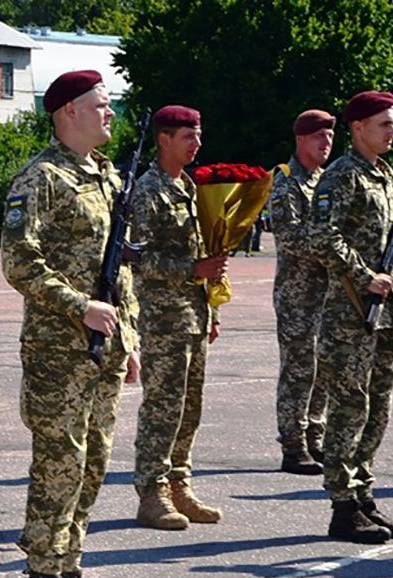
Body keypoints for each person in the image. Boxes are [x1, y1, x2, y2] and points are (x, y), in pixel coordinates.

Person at [2, 70, 140, 578]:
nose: (109, 114)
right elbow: (19, 260)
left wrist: (127, 337)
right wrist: (77, 305)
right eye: (100, 105)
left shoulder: (103, 177)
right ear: (68, 113)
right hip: (59, 349)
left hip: (102, 347)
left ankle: (69, 569)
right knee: (59, 464)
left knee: (92, 463)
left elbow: (117, 270)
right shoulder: (41, 179)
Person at [308, 91, 393, 544]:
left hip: (385, 313)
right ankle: (342, 508)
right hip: (349, 313)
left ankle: (364, 497)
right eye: (385, 124)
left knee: (377, 407)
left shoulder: (387, 177)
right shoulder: (341, 177)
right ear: (358, 128)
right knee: (349, 409)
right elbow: (321, 236)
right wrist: (362, 274)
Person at [130, 105, 227, 531]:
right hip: (161, 318)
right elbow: (136, 258)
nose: (197, 144)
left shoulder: (188, 187)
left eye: (199, 136)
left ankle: (179, 484)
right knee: (163, 407)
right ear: (164, 139)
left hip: (193, 314)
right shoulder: (147, 190)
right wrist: (192, 271)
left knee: (190, 407)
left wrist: (210, 304)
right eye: (189, 136)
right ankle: (152, 493)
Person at [271, 109, 336, 476]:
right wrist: (332, 245)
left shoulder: (326, 182)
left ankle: (315, 438)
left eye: (329, 137)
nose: (325, 143)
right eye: (318, 137)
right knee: (299, 371)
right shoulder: (287, 183)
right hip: (297, 296)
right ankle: (293, 446)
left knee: (322, 370)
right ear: (300, 139)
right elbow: (290, 237)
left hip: (328, 294)